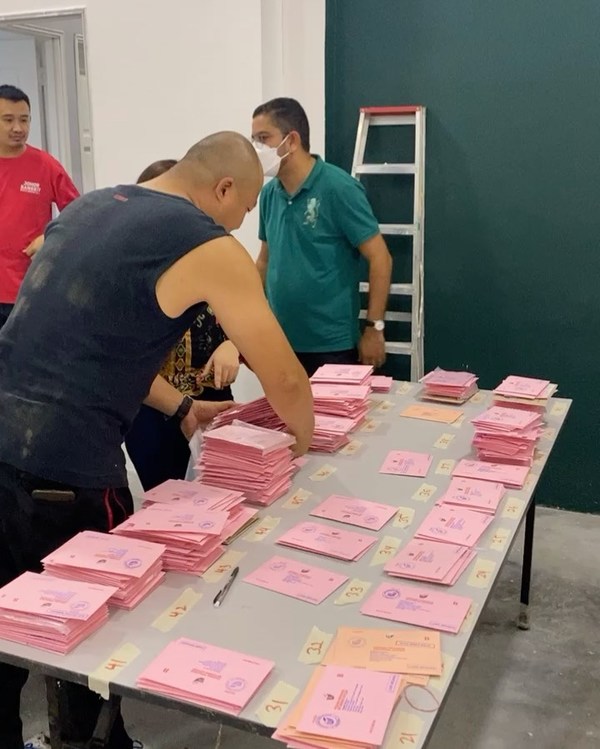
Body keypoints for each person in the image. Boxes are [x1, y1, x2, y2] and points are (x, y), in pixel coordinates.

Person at [0, 131, 314, 749]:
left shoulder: (90, 207)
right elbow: (283, 377)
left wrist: (185, 409)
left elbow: (98, 350)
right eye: (246, 208)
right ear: (224, 189)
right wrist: (304, 446)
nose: (243, 224)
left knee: (10, 628)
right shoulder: (204, 242)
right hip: (67, 471)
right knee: (91, 633)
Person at [252, 97, 393, 376]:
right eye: (253, 139)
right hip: (280, 343)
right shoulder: (269, 194)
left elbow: (380, 258)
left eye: (263, 138)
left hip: (331, 346)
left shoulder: (338, 188)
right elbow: (265, 262)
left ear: (291, 140)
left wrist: (374, 327)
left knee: (332, 420)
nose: (256, 148)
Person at [125, 159, 241, 490]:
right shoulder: (132, 268)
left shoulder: (215, 256)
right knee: (169, 508)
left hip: (215, 403)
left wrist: (231, 344)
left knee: (226, 497)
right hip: (152, 413)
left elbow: (242, 321)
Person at [0, 84, 79, 329]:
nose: (18, 128)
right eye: (8, 120)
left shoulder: (44, 165)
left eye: (24, 120)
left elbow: (82, 214)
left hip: (29, 291)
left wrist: (50, 236)